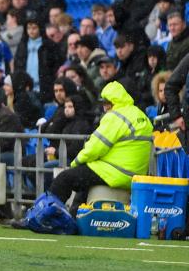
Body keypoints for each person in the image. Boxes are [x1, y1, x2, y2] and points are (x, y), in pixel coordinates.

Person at [48, 82, 151, 210]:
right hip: (133, 175)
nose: (104, 107)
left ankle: (46, 215)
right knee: (84, 181)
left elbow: (94, 147)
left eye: (106, 103)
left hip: (114, 172)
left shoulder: (115, 116)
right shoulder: (139, 115)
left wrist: (76, 163)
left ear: (112, 102)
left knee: (64, 178)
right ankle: (74, 217)